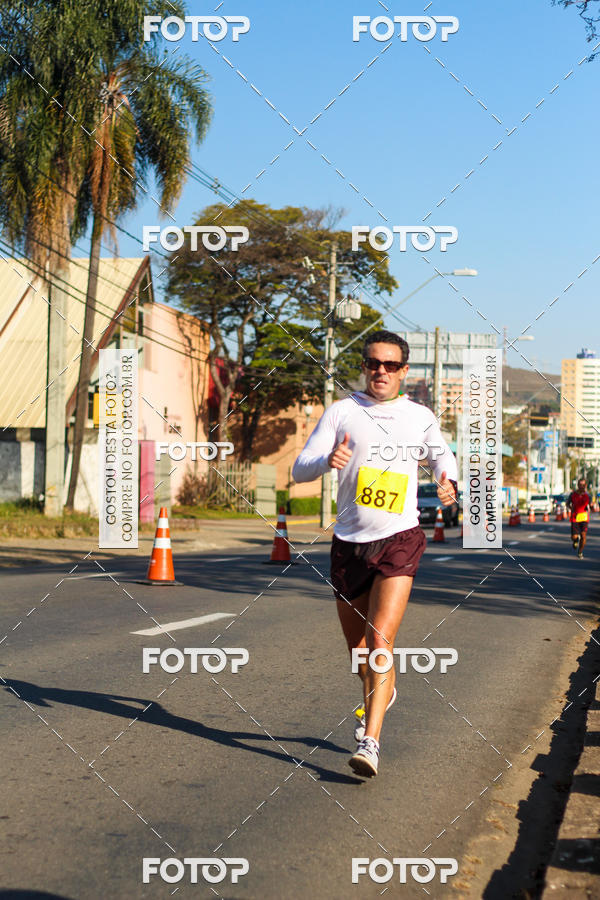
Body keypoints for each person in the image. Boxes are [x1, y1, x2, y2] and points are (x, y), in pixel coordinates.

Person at [292, 331, 458, 777]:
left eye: (389, 364)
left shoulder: (418, 416)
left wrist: (447, 481)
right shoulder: (342, 412)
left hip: (399, 537)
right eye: (372, 363)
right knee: (359, 651)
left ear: (405, 371)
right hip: (349, 543)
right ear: (364, 366)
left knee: (381, 638)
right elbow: (298, 468)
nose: (379, 371)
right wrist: (327, 462)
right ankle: (382, 689)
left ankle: (371, 741)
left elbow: (444, 457)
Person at [567, 478, 591, 559]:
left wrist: (590, 508)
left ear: (585, 486)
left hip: (584, 517)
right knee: (574, 536)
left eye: (583, 485)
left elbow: (590, 505)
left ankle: (580, 552)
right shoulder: (573, 494)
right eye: (580, 485)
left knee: (583, 535)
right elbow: (567, 503)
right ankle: (575, 540)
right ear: (577, 485)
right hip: (575, 517)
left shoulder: (588, 495)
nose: (581, 486)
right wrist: (571, 508)